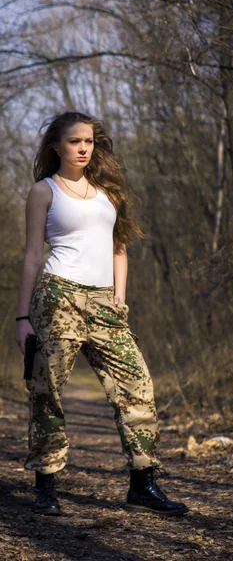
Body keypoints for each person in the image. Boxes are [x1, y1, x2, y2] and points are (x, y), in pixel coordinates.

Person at [15, 111, 189, 517]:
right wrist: (22, 319)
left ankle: (143, 483)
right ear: (56, 145)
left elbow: (119, 250)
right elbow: (31, 256)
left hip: (106, 303)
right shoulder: (44, 191)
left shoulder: (108, 192)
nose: (82, 148)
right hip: (59, 297)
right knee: (47, 389)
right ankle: (46, 483)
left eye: (89, 141)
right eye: (75, 141)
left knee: (138, 386)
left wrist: (119, 301)